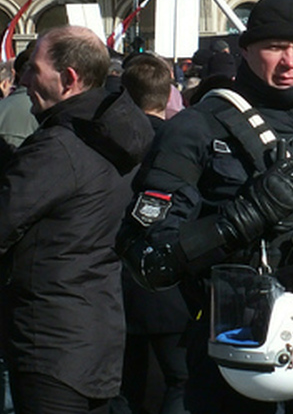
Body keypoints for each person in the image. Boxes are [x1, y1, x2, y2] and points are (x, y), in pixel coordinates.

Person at [118, 0, 293, 414]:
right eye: (275, 48)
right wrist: (241, 219)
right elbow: (146, 258)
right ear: (246, 49)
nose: (289, 61)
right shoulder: (196, 129)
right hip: (234, 345)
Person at [0, 25, 155, 413]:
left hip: (49, 339)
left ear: (69, 78)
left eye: (34, 69)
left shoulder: (59, 146)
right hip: (92, 331)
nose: (23, 78)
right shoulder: (100, 133)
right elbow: (33, 178)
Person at [114, 54, 190, 414]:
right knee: (179, 378)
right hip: (170, 277)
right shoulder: (183, 143)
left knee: (125, 383)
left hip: (119, 275)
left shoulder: (108, 144)